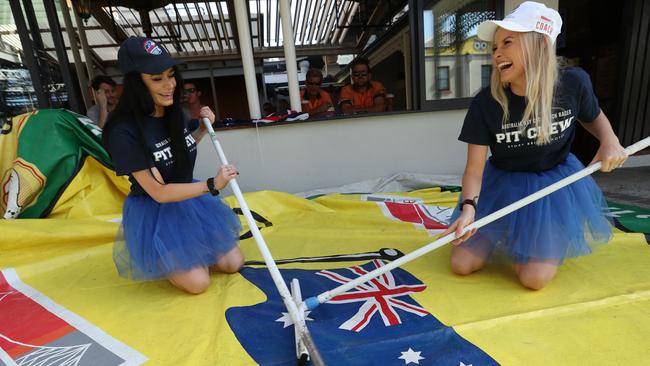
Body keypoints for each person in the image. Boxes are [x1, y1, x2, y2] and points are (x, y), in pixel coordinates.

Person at [441, 1, 627, 291]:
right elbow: (474, 169)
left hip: (553, 183)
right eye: (494, 47)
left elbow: (592, 116)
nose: (497, 52)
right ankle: (521, 238)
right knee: (461, 265)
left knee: (533, 279)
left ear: (539, 44)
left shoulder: (573, 83)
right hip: (502, 183)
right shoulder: (485, 104)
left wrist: (610, 139)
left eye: (507, 42)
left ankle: (546, 238)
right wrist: (468, 208)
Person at [102, 36, 244, 294]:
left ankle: (191, 247)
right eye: (157, 78)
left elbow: (177, 150)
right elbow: (159, 192)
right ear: (136, 83)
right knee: (198, 284)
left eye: (170, 75)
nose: (169, 85)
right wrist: (212, 184)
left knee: (234, 263)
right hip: (156, 210)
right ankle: (161, 254)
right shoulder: (123, 131)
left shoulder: (173, 112)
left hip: (190, 199)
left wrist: (200, 129)